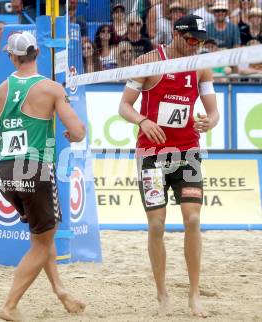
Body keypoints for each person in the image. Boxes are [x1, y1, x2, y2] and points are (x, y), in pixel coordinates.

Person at [0, 31, 86, 321]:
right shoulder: (50, 89)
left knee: (41, 237)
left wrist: (7, 136)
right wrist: (70, 133)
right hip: (36, 171)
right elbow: (78, 132)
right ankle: (9, 305)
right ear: (37, 54)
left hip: (6, 173)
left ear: (12, 57)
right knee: (42, 241)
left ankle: (61, 292)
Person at [119, 14, 219, 317]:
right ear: (175, 34)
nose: (196, 46)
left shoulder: (200, 65)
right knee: (157, 225)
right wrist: (143, 120)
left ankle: (193, 295)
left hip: (186, 152)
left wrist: (208, 122)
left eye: (200, 41)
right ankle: (162, 293)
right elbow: (124, 106)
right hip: (150, 153)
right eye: (191, 40)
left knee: (192, 221)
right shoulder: (149, 62)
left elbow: (213, 113)